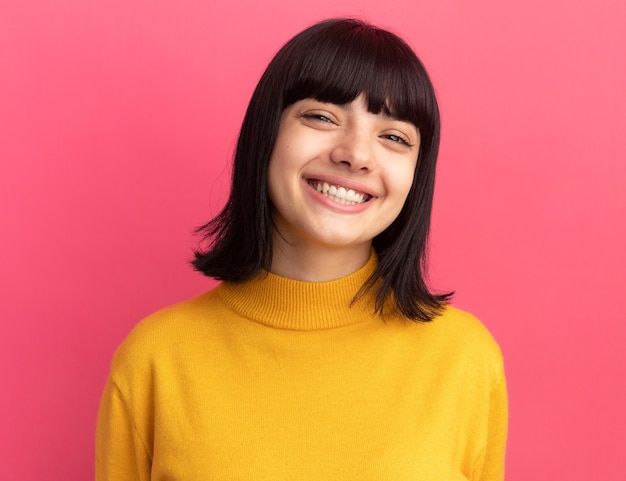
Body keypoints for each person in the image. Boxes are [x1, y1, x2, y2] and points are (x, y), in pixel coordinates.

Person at [96, 18, 507, 481]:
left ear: (416, 177)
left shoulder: (465, 360)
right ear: (266, 133)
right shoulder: (157, 359)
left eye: (394, 137)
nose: (356, 154)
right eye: (322, 116)